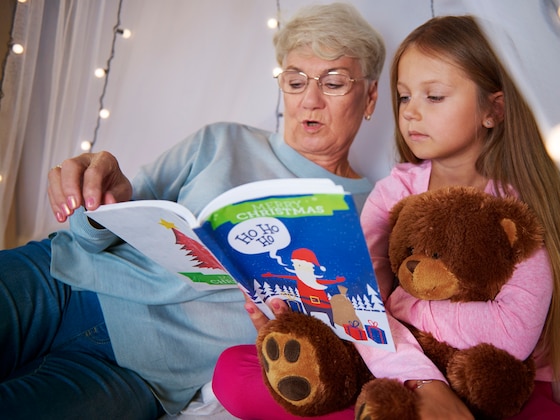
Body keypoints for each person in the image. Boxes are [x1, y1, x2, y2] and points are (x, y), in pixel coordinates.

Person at [0, 3, 385, 419]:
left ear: (370, 96)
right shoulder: (221, 141)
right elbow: (96, 231)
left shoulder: (374, 214)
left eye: (333, 82)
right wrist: (98, 201)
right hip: (61, 280)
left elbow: (350, 343)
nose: (310, 99)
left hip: (139, 373)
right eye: (295, 80)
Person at [214, 14, 560, 419]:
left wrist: (405, 306)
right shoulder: (394, 192)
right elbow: (360, 306)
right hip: (397, 362)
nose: (411, 114)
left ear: (493, 109)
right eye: (404, 97)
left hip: (491, 378)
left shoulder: (516, 209)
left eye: (433, 97)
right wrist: (418, 378)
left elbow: (512, 334)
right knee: (232, 369)